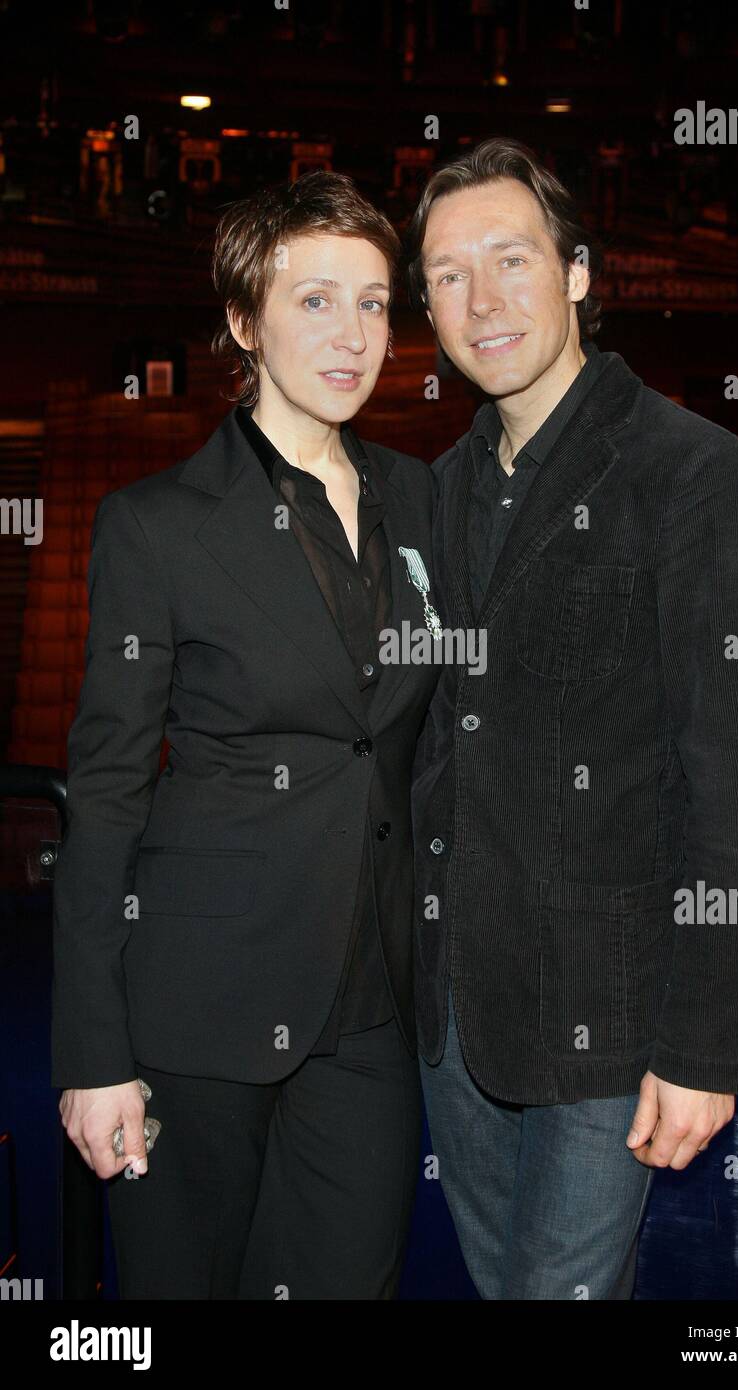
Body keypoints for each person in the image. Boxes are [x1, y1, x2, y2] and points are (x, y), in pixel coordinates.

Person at [406, 137, 738, 1300]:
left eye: (510, 260)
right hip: (457, 1013)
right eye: (445, 274)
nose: (480, 301)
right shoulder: (433, 491)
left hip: (611, 1021)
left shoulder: (692, 473)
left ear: (577, 274)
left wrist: (707, 1048)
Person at [52, 171, 441, 1299]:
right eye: (313, 300)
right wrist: (93, 1055)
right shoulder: (156, 526)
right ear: (241, 322)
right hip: (198, 1007)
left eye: (372, 302)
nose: (353, 334)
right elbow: (108, 791)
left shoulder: (422, 501)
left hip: (369, 1013)